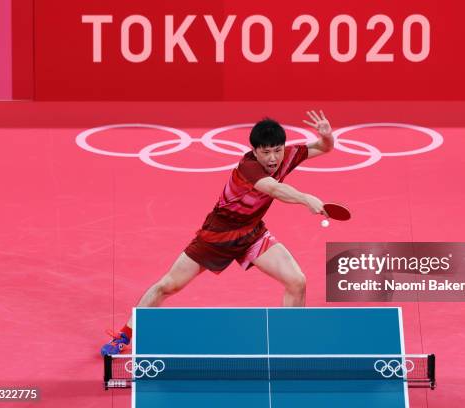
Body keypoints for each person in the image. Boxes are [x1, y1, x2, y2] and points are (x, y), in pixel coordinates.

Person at [101, 110, 334, 355]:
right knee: (168, 286)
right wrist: (306, 198)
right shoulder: (249, 167)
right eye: (265, 152)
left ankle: (289, 342)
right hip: (217, 234)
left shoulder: (287, 155)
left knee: (297, 281)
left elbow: (323, 147)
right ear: (254, 151)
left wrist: (327, 136)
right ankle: (124, 335)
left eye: (277, 150)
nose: (273, 157)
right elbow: (274, 189)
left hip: (251, 233)